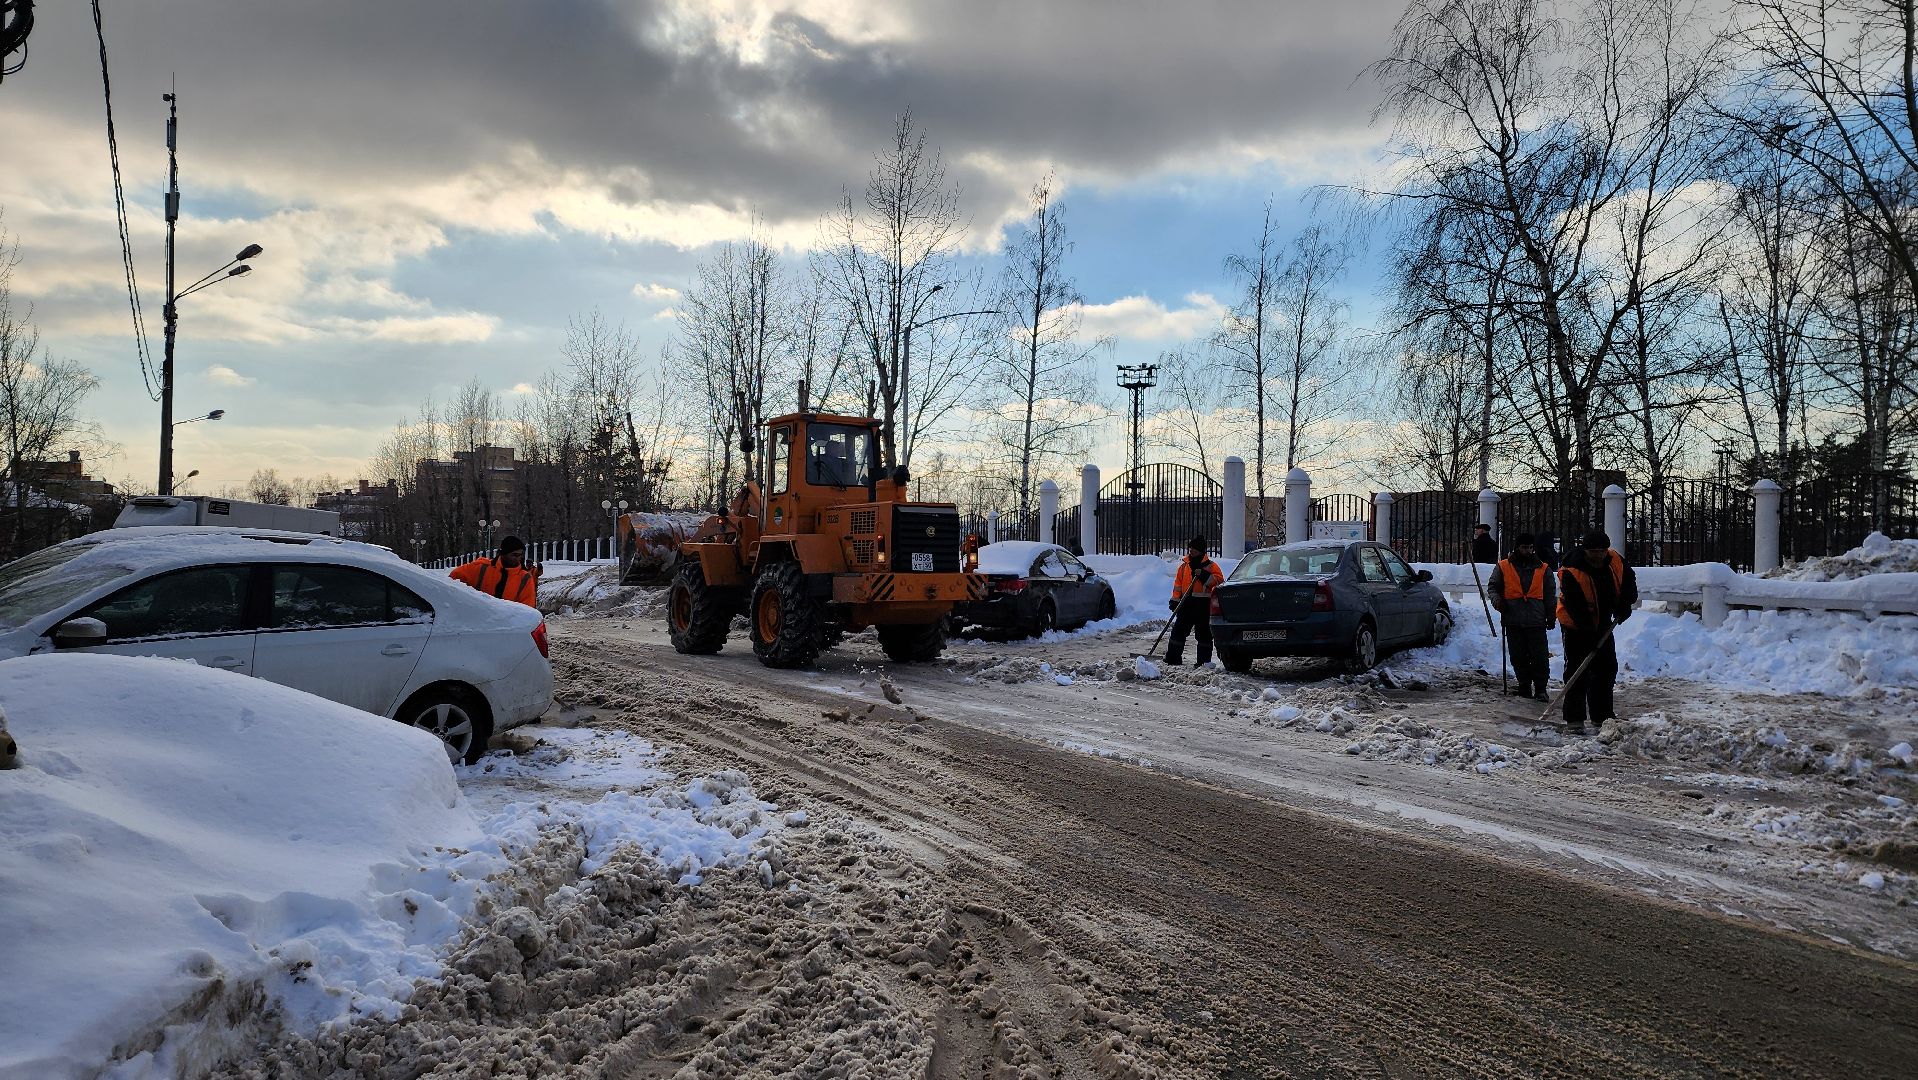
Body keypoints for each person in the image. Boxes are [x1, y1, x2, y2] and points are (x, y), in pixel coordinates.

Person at [1557, 529, 1638, 734]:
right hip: (1575, 625)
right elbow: (1576, 606)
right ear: (1585, 550)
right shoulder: (1571, 570)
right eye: (1593, 551)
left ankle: (1602, 716)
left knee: (1606, 668)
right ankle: (1574, 719)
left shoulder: (1615, 561)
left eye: (1601, 551)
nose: (1598, 555)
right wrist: (1588, 634)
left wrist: (1625, 604)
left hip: (1603, 622)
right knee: (1578, 670)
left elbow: (1628, 581)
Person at [1488, 532, 1555, 700]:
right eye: (1525, 547)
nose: (1528, 551)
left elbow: (1549, 594)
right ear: (1517, 548)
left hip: (1536, 619)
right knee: (1518, 656)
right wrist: (1498, 602)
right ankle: (1524, 685)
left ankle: (1540, 688)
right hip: (1513, 618)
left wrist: (1551, 615)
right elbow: (1493, 587)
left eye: (1531, 548)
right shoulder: (1503, 567)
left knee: (1539, 657)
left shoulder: (1543, 568)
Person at [1165, 536, 1224, 667]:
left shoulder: (1211, 566)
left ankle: (1203, 662)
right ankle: (1172, 658)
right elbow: (1178, 585)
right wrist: (1175, 600)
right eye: (1190, 550)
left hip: (1203, 605)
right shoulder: (1184, 566)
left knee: (1204, 634)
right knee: (1178, 632)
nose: (1191, 553)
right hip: (1186, 603)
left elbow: (1218, 581)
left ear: (1201, 552)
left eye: (1194, 551)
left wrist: (1203, 575)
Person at [450, 535, 542, 608]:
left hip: (508, 627)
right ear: (503, 554)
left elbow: (528, 611)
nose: (518, 558)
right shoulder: (481, 568)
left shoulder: (525, 578)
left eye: (520, 555)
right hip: (477, 624)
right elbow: (452, 580)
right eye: (514, 555)